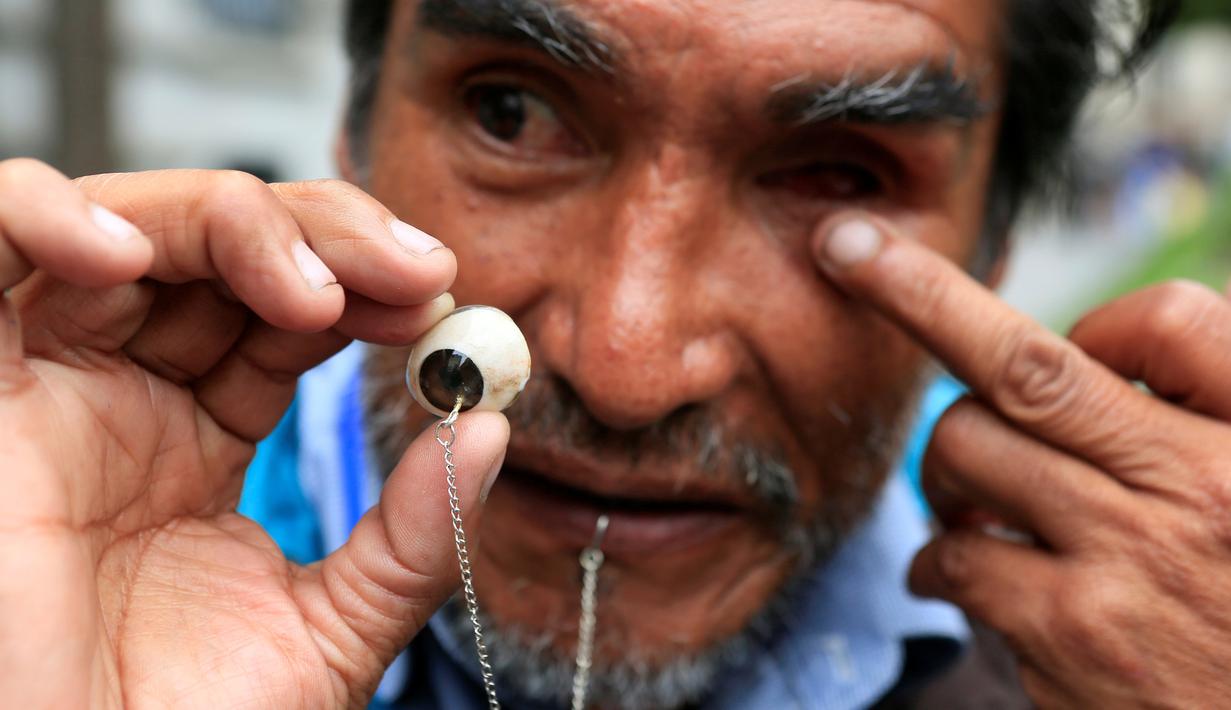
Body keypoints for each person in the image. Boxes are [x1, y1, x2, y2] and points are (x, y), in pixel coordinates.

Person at [3, 0, 1230, 708]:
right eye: (512, 113)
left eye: (837, 172)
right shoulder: (66, 542)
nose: (627, 366)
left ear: (996, 241)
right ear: (355, 124)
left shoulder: (1116, 659)